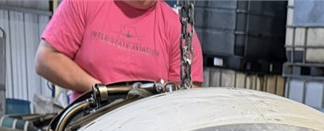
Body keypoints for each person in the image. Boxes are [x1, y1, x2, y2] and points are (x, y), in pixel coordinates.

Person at [35, 0, 204, 99]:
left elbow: (185, 99)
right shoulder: (85, 3)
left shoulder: (178, 30)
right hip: (88, 126)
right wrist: (103, 92)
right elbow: (46, 58)